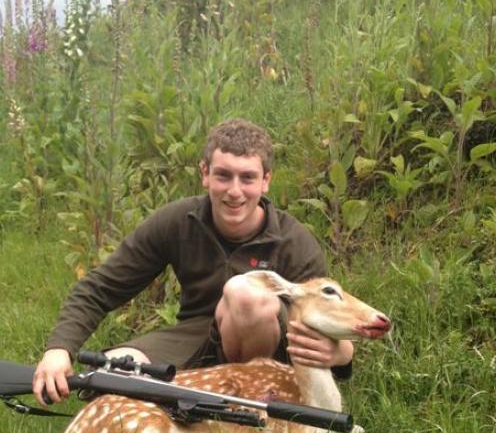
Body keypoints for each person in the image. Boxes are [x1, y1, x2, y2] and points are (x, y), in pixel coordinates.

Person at [33, 118, 354, 405]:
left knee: (247, 295)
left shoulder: (294, 240)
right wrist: (59, 350)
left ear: (266, 180)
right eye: (223, 176)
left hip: (270, 352)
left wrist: (340, 353)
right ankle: (192, 404)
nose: (235, 191)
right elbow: (99, 288)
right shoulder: (177, 221)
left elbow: (325, 319)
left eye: (248, 178)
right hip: (194, 338)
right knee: (109, 371)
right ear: (205, 174)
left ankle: (245, 400)